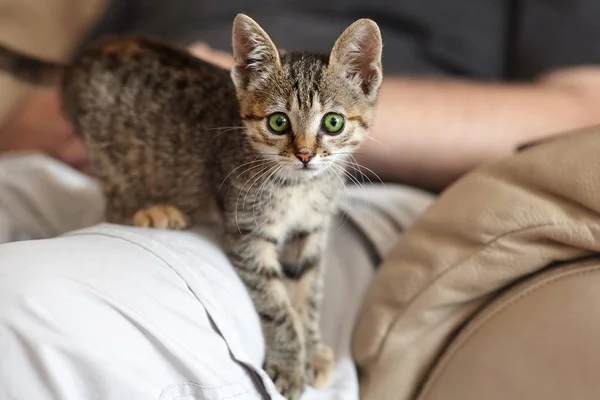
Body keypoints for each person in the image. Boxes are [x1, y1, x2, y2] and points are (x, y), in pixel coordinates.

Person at [1, 1, 600, 399]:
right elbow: (71, 76)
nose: (308, 144)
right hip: (81, 154)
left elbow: (583, 110)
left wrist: (270, 110)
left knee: (29, 303)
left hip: (345, 189)